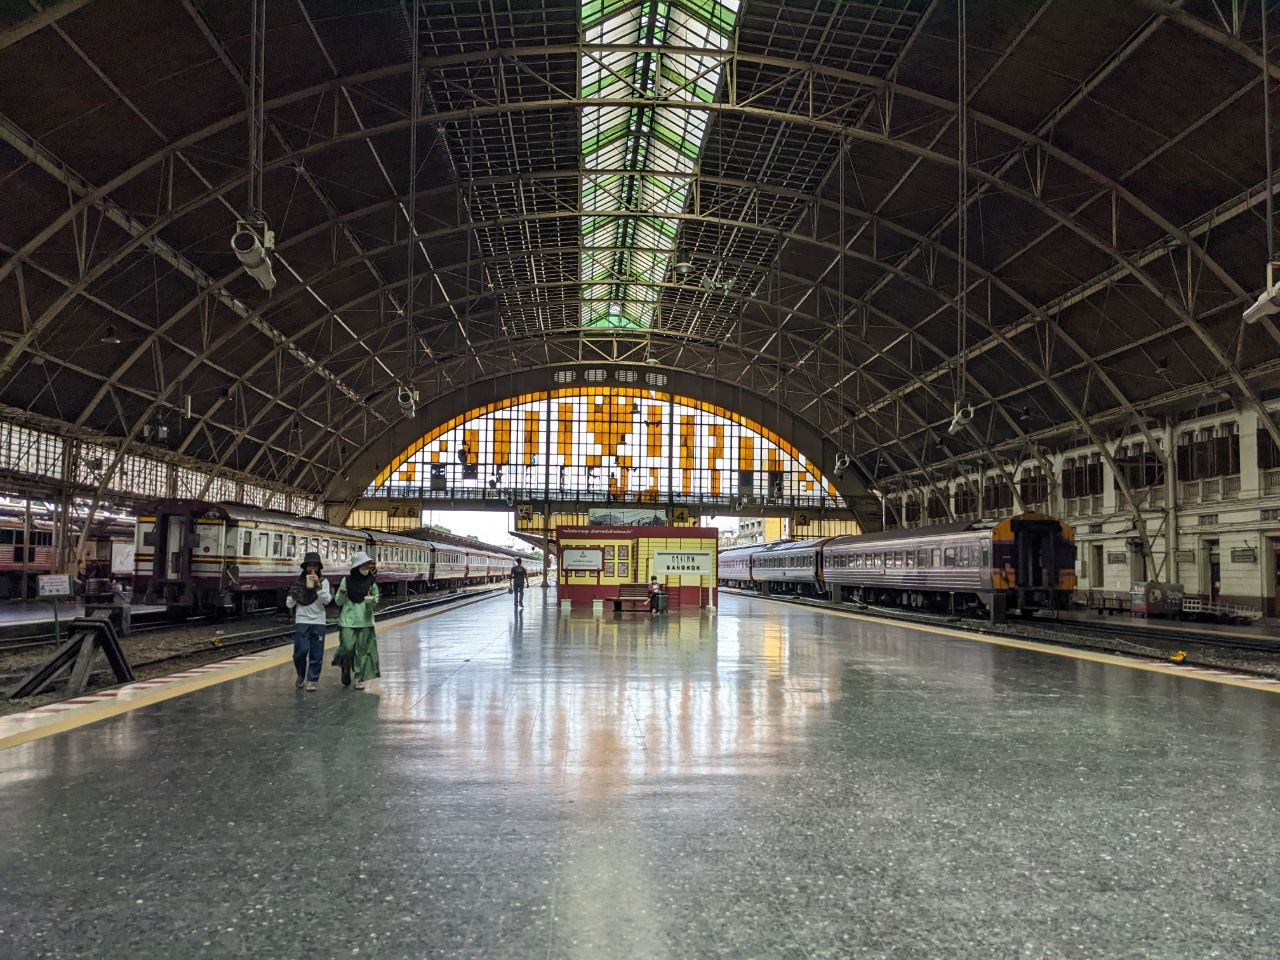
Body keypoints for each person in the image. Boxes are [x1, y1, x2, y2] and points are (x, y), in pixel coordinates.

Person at [332, 551, 380, 690]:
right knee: (347, 647)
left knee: (362, 651)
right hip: (347, 620)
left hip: (365, 620)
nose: (366, 567)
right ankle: (345, 665)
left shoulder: (371, 582)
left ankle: (359, 678)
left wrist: (371, 601)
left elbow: (376, 599)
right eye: (364, 565)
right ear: (357, 567)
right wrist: (341, 593)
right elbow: (339, 602)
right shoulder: (346, 581)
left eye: (367, 565)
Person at [287, 551, 331, 692]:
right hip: (302, 620)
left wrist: (318, 586)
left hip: (319, 621)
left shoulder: (324, 582)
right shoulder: (298, 583)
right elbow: (289, 604)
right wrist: (294, 595)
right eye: (309, 565)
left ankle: (312, 680)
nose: (312, 568)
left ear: (319, 568)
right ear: (305, 567)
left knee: (316, 653)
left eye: (315, 566)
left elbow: (327, 600)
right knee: (300, 651)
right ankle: (301, 673)